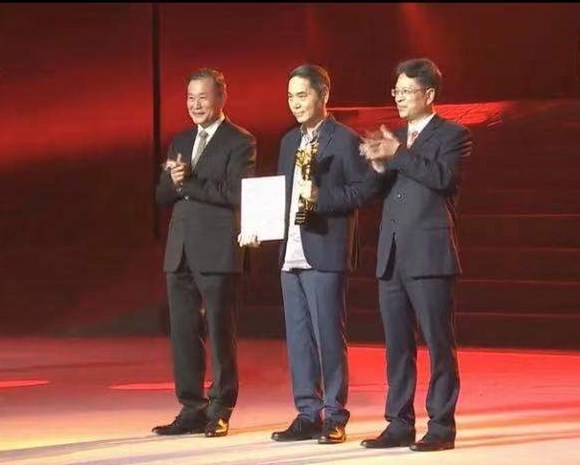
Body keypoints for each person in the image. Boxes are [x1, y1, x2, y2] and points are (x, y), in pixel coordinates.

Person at [240, 64, 376, 445]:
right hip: (291, 252)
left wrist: (321, 199)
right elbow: (281, 196)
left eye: (302, 95)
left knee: (328, 335)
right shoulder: (288, 142)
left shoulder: (345, 140)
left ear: (323, 95)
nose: (295, 103)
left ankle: (334, 414)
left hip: (325, 250)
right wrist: (259, 227)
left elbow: (363, 191)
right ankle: (306, 413)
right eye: (290, 97)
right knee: (298, 338)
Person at [359, 58, 473, 452]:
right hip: (391, 255)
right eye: (397, 91)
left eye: (407, 91)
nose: (400, 98)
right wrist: (378, 165)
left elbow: (444, 178)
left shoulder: (453, 134)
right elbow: (373, 192)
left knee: (439, 344)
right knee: (397, 346)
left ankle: (441, 426)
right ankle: (399, 422)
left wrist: (398, 154)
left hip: (429, 254)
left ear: (429, 94)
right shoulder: (394, 137)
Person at [153, 68, 257, 438]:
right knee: (183, 332)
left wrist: (190, 183)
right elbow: (162, 196)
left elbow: (237, 193)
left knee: (220, 330)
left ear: (221, 98)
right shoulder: (181, 140)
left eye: (203, 97)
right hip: (179, 250)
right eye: (190, 98)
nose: (195, 105)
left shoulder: (240, 141)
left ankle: (220, 407)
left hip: (217, 250)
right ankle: (191, 406)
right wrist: (173, 182)